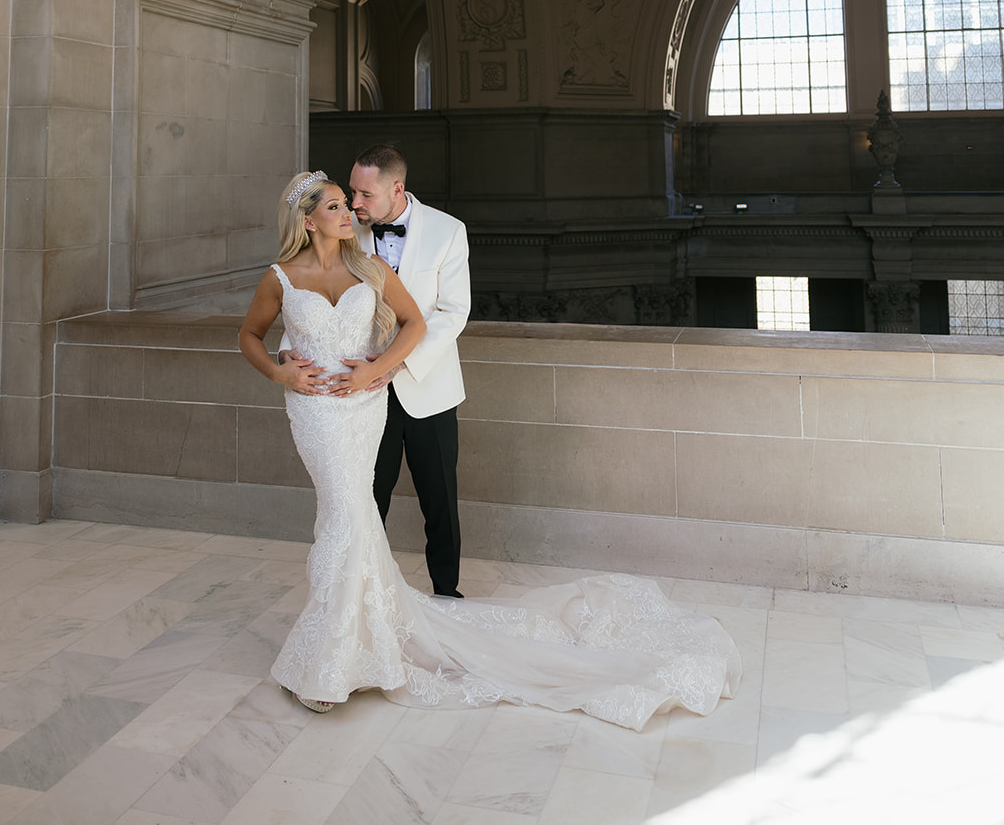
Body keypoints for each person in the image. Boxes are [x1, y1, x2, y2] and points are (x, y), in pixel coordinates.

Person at [238, 169, 741, 727]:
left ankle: (343, 650)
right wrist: (281, 373)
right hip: (315, 413)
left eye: (352, 199)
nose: (350, 210)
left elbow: (419, 321)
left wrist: (378, 369)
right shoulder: (282, 276)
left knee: (364, 515)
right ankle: (342, 648)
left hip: (369, 402)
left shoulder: (376, 260)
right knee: (347, 514)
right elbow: (251, 336)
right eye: (336, 204)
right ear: (308, 221)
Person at [347, 144, 469, 597]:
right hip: (362, 393)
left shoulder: (448, 231)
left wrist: (393, 363)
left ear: (396, 189)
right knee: (366, 500)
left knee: (440, 504)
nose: (354, 203)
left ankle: (447, 594)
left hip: (429, 388)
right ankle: (363, 599)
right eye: (352, 191)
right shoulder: (344, 232)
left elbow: (453, 313)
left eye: (365, 194)